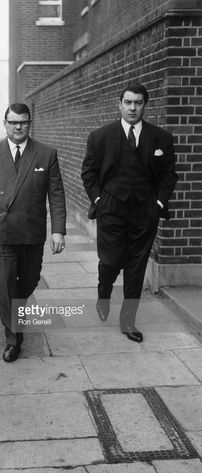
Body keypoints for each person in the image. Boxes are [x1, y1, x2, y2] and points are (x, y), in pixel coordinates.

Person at [81, 83, 178, 343]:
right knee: (111, 261)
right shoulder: (100, 137)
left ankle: (128, 322)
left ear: (146, 105)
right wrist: (100, 200)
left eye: (138, 102)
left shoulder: (161, 138)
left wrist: (158, 203)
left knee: (136, 267)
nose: (132, 107)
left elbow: (170, 175)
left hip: (145, 212)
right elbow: (88, 173)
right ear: (119, 104)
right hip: (111, 209)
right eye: (128, 102)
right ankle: (104, 292)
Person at [0, 103, 66, 362]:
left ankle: (17, 314)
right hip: (0, 231)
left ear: (29, 123)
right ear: (5, 124)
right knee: (5, 285)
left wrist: (58, 230)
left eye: (23, 122)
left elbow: (56, 194)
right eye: (13, 122)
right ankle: (13, 336)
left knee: (29, 280)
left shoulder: (46, 154)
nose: (18, 126)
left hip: (31, 232)